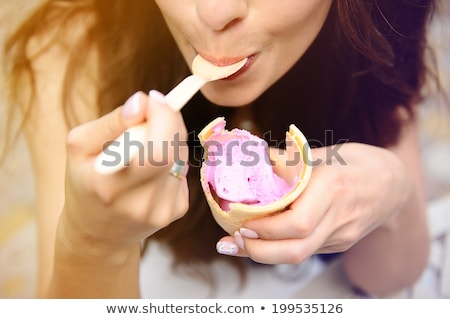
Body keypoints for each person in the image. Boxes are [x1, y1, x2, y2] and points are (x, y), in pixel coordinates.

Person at [2, 0, 436, 298]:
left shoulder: (374, 25)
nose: (213, 12)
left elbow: (385, 278)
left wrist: (393, 192)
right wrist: (93, 242)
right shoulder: (73, 50)